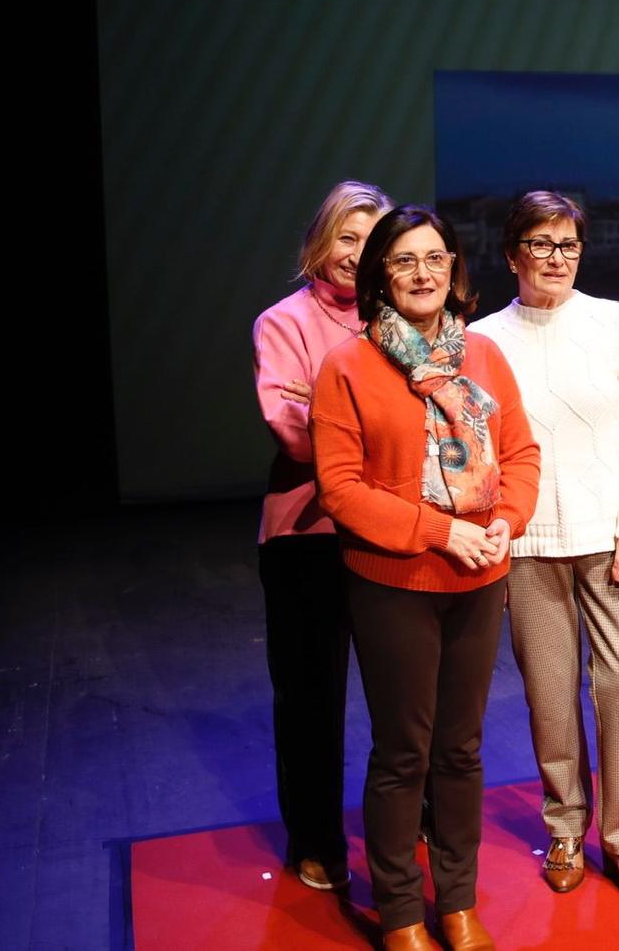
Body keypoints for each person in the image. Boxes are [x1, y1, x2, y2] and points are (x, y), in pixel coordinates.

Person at [311, 207, 540, 951]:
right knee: (403, 749)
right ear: (381, 271)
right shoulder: (347, 365)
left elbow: (523, 453)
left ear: (453, 268)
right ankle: (402, 908)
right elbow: (340, 488)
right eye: (405, 260)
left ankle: (459, 900)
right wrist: (444, 530)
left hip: (480, 575)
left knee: (461, 749)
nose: (422, 273)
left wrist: (507, 517)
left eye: (435, 258)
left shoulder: (485, 355)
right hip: (395, 579)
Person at [470, 192, 619, 905]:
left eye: (569, 243)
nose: (558, 256)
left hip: (611, 540)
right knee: (550, 696)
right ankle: (564, 825)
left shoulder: (613, 322)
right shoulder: (483, 339)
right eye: (543, 243)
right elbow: (478, 449)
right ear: (514, 252)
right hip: (524, 546)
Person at [249, 179, 390, 892]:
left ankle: (407, 824)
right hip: (307, 532)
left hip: (393, 528)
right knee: (310, 695)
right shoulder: (283, 322)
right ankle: (315, 838)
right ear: (320, 240)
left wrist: (337, 414)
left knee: (402, 692)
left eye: (371, 240)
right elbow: (294, 434)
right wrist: (381, 431)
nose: (355, 254)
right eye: (346, 235)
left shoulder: (401, 320)